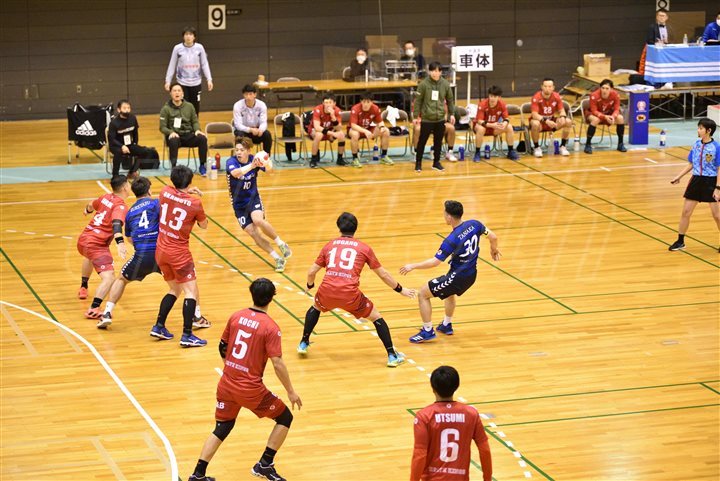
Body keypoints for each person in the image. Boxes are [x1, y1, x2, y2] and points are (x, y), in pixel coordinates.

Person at [187, 278, 302, 481]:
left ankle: (198, 474)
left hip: (226, 384)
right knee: (285, 418)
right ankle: (264, 465)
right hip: (251, 390)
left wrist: (231, 368)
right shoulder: (271, 327)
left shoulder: (236, 316)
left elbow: (222, 346)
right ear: (272, 298)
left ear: (252, 294)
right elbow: (277, 363)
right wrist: (291, 391)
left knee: (222, 427)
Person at [299, 212, 416, 367]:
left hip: (327, 291)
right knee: (376, 317)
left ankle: (303, 342)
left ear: (339, 227)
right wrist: (401, 290)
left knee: (316, 307)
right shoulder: (364, 248)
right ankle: (392, 356)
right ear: (356, 228)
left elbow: (311, 272)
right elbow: (383, 274)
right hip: (350, 295)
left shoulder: (329, 245)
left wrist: (310, 285)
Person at [400, 200, 500, 343]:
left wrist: (413, 266)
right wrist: (493, 249)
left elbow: (435, 262)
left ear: (449, 217)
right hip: (471, 275)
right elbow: (493, 237)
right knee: (449, 292)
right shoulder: (475, 224)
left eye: (444, 213)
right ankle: (446, 325)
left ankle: (427, 331)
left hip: (458, 277)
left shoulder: (451, 240)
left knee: (423, 294)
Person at [150, 165, 209, 347]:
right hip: (179, 254)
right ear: (190, 182)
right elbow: (204, 225)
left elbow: (175, 194)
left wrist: (186, 191)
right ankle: (187, 335)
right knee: (190, 292)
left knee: (175, 289)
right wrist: (192, 197)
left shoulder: (164, 192)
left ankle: (159, 326)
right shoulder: (195, 203)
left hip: (161, 251)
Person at [97, 176, 161, 328]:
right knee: (181, 284)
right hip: (161, 255)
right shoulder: (157, 203)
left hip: (141, 256)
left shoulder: (130, 212)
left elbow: (130, 239)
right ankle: (194, 315)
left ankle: (107, 313)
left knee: (121, 279)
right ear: (149, 190)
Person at [410, 365, 493, 481]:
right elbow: (485, 450)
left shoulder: (424, 416)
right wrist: (487, 479)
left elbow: (420, 454)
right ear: (457, 386)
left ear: (433, 388)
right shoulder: (471, 414)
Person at [227, 137, 292, 273]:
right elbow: (235, 173)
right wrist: (252, 166)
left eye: (242, 150)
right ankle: (277, 258)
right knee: (253, 233)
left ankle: (281, 243)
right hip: (239, 205)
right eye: (237, 150)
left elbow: (270, 171)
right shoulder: (231, 162)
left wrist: (267, 163)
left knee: (258, 220)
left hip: (253, 198)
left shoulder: (254, 159)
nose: (238, 152)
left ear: (248, 151)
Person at [76, 175, 130, 319]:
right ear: (125, 187)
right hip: (96, 245)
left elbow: (90, 205)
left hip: (83, 240)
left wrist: (87, 211)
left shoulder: (105, 197)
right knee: (109, 277)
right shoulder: (120, 206)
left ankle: (83, 286)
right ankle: (94, 309)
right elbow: (117, 224)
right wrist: (120, 243)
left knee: (89, 257)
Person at [667, 118, 720, 252]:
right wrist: (678, 177)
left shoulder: (716, 147)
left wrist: (718, 188)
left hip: (711, 181)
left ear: (709, 131)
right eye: (698, 127)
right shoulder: (696, 145)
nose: (698, 130)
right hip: (696, 181)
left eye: (701, 128)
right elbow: (691, 164)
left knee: (717, 216)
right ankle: (680, 241)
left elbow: (719, 168)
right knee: (686, 212)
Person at [414, 62, 455, 172]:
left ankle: (436, 162)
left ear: (440, 72)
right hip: (427, 118)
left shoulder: (445, 84)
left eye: (437, 71)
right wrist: (415, 116)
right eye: (433, 71)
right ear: (429, 71)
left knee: (438, 141)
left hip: (440, 118)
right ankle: (418, 162)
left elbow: (450, 100)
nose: (435, 73)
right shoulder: (423, 84)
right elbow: (418, 101)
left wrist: (451, 114)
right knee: (422, 141)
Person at [159, 83, 209, 175]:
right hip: (175, 136)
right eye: (174, 91)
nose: (177, 93)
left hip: (188, 135)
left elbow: (195, 121)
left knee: (202, 139)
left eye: (179, 91)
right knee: (173, 141)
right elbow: (162, 127)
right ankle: (174, 168)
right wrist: (170, 132)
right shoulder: (165, 109)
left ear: (182, 93)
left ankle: (202, 165)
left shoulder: (189, 106)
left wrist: (197, 130)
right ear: (170, 93)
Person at [164, 26, 213, 116]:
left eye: (190, 34)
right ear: (183, 36)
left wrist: (209, 79)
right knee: (183, 107)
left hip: (196, 83)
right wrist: (168, 81)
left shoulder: (199, 48)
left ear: (194, 37)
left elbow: (204, 64)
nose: (188, 36)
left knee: (195, 108)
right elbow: (172, 64)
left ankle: (195, 124)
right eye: (186, 34)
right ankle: (184, 124)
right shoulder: (177, 48)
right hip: (182, 83)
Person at [107, 100, 156, 179]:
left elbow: (135, 132)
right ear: (119, 110)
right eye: (124, 108)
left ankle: (132, 172)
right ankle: (115, 175)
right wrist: (122, 146)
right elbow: (111, 139)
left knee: (144, 151)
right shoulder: (114, 123)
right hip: (116, 146)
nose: (127, 110)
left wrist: (135, 144)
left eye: (128, 108)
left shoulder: (133, 118)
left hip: (129, 144)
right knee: (118, 152)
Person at [473, 85, 519, 161]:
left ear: (499, 97)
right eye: (491, 96)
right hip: (482, 126)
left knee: (509, 127)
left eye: (495, 96)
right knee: (481, 128)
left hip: (494, 128)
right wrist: (492, 125)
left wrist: (504, 123)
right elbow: (479, 121)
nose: (492, 98)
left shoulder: (502, 104)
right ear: (488, 96)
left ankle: (511, 151)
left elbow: (506, 118)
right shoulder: (482, 104)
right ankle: (477, 152)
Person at [348, 92, 393, 167]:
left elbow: (380, 121)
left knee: (386, 131)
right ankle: (355, 159)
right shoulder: (355, 109)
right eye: (364, 102)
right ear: (361, 101)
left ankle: (384, 156)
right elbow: (353, 125)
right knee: (355, 134)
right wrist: (365, 131)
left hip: (369, 129)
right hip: (356, 129)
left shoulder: (375, 108)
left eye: (368, 102)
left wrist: (382, 127)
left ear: (372, 102)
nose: (366, 104)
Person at [529, 78, 572, 158]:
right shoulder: (536, 97)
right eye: (545, 86)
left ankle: (562, 146)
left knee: (568, 121)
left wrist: (563, 117)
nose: (547, 88)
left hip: (551, 120)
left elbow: (562, 110)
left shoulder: (556, 96)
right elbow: (534, 115)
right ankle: (536, 147)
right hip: (540, 122)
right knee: (535, 123)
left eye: (549, 86)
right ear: (542, 87)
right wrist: (546, 121)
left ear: (553, 87)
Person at [583, 79, 627, 154]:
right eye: (603, 88)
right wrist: (605, 117)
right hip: (592, 113)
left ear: (611, 89)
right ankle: (588, 144)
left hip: (608, 113)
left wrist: (613, 117)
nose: (604, 90)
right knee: (596, 120)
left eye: (607, 88)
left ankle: (620, 144)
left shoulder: (615, 95)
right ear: (600, 88)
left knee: (620, 118)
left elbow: (616, 109)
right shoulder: (594, 95)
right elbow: (594, 111)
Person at [308, 92, 347, 168]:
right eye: (326, 102)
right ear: (323, 103)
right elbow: (317, 127)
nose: (328, 105)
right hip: (315, 131)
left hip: (329, 131)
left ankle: (340, 159)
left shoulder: (337, 110)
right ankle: (313, 160)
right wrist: (332, 134)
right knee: (319, 135)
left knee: (341, 135)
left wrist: (333, 117)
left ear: (334, 104)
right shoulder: (318, 109)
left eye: (330, 102)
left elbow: (338, 128)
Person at [233, 84, 272, 155]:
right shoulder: (237, 106)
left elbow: (263, 122)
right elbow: (238, 125)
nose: (248, 97)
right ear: (243, 95)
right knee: (239, 134)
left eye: (250, 94)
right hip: (244, 131)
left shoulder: (262, 105)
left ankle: (266, 157)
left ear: (255, 94)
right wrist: (250, 130)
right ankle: (240, 156)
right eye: (246, 94)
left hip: (257, 131)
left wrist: (261, 130)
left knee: (267, 134)